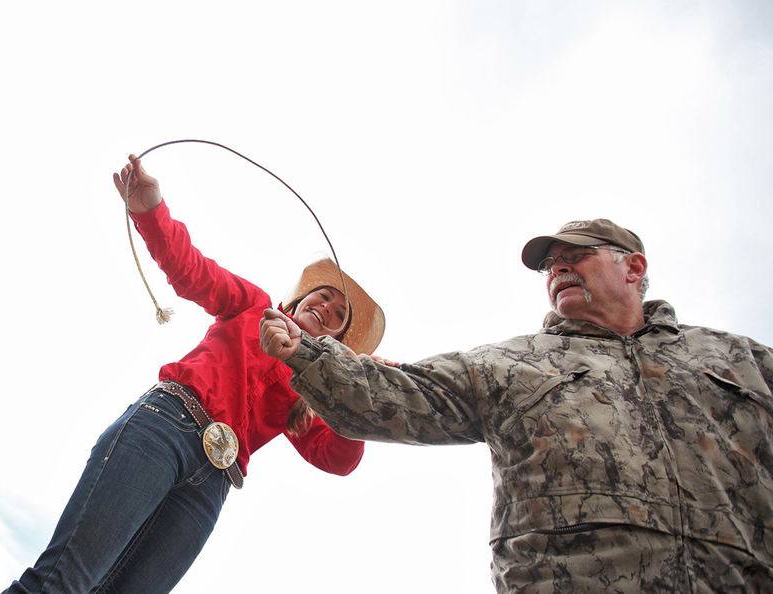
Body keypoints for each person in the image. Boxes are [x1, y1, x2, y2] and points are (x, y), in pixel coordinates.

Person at [261, 219, 773, 592]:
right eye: (550, 264)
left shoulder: (741, 360)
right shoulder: (512, 363)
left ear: (633, 267)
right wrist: (305, 353)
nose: (558, 269)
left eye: (577, 255)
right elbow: (395, 395)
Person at [5, 155, 385, 593]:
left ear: (337, 339)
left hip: (214, 485)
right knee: (64, 582)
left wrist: (361, 398)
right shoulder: (252, 305)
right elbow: (191, 271)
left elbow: (336, 459)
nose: (326, 308)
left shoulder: (312, 392)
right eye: (323, 296)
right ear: (298, 300)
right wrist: (150, 209)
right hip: (167, 427)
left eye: (339, 314)